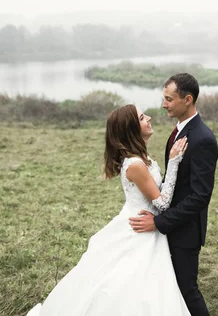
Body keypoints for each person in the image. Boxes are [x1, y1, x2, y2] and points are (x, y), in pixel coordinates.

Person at [26, 104, 191, 316]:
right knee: (126, 281)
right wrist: (174, 162)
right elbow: (161, 203)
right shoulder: (135, 164)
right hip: (139, 226)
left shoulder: (140, 157)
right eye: (142, 117)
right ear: (132, 128)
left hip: (145, 223)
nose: (149, 118)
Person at [129, 73, 218, 316]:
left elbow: (200, 196)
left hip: (185, 231)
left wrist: (159, 222)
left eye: (169, 99)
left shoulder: (203, 139)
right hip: (170, 226)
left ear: (187, 99)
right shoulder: (178, 131)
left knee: (187, 290)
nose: (164, 104)